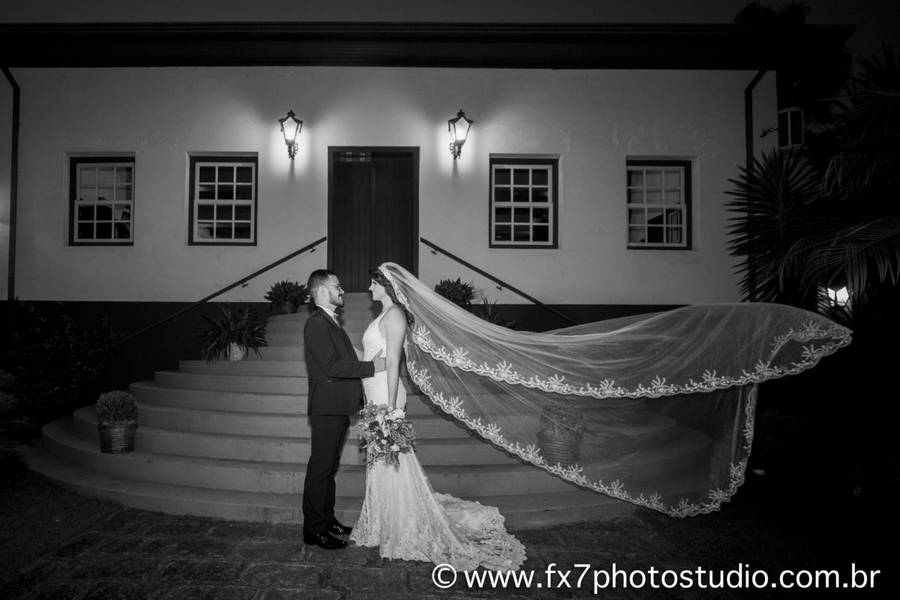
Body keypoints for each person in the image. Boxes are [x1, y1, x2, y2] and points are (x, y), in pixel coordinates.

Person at [350, 269, 526, 570]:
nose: (369, 287)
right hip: (374, 394)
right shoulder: (382, 315)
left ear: (388, 287)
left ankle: (401, 524)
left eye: (374, 283)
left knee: (392, 461)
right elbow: (370, 359)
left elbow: (393, 362)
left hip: (385, 396)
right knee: (381, 462)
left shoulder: (395, 316)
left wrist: (390, 408)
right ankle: (384, 520)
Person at [302, 269, 385, 550]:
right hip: (326, 407)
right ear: (322, 290)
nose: (342, 291)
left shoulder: (330, 321)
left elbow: (345, 357)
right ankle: (314, 529)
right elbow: (332, 366)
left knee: (329, 467)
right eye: (337, 286)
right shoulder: (316, 323)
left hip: (336, 406)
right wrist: (372, 368)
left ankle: (327, 520)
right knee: (320, 468)